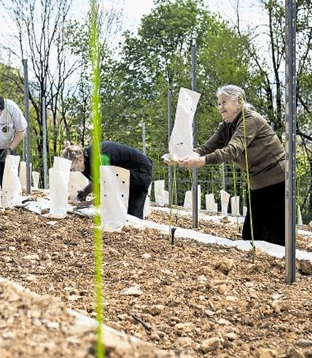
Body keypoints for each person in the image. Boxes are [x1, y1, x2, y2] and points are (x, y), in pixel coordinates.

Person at [175, 85, 286, 246]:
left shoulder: (250, 120)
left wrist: (201, 161)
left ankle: (280, 269)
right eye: (219, 103)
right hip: (257, 182)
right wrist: (181, 157)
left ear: (239, 102)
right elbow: (205, 149)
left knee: (275, 237)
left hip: (277, 180)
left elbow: (233, 149)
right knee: (251, 235)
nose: (220, 107)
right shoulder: (226, 126)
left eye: (224, 102)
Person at [62, 141, 153, 219]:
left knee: (131, 213)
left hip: (138, 170)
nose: (73, 171)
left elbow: (109, 190)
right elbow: (100, 180)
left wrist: (90, 203)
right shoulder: (84, 162)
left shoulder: (99, 160)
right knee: (118, 212)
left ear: (80, 159)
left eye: (73, 169)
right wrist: (85, 192)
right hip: (123, 172)